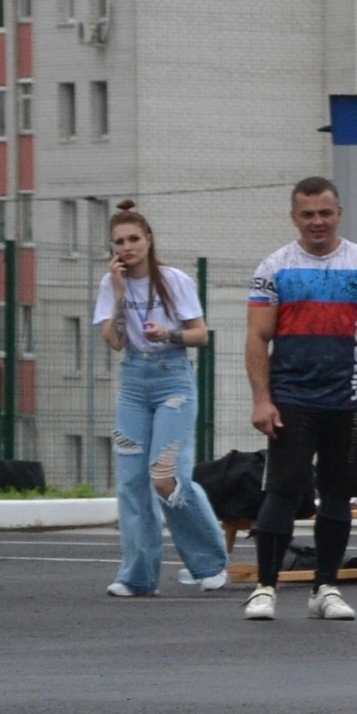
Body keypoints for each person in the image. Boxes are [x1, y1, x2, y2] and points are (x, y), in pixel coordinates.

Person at [242, 176, 357, 622]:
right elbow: (257, 336)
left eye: (325, 213)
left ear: (339, 214)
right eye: (308, 214)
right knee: (282, 490)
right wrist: (262, 400)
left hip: (350, 399)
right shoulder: (274, 267)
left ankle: (326, 586)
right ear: (294, 217)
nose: (317, 222)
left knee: (339, 495)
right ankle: (264, 587)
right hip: (293, 397)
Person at [93, 201, 230, 598]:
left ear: (149, 240)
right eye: (119, 242)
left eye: (134, 239)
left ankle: (210, 563)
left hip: (173, 379)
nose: (127, 247)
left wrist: (167, 334)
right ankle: (137, 576)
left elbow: (201, 335)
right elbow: (116, 343)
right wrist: (119, 294)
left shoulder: (173, 280)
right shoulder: (110, 285)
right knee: (132, 480)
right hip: (135, 381)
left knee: (166, 476)